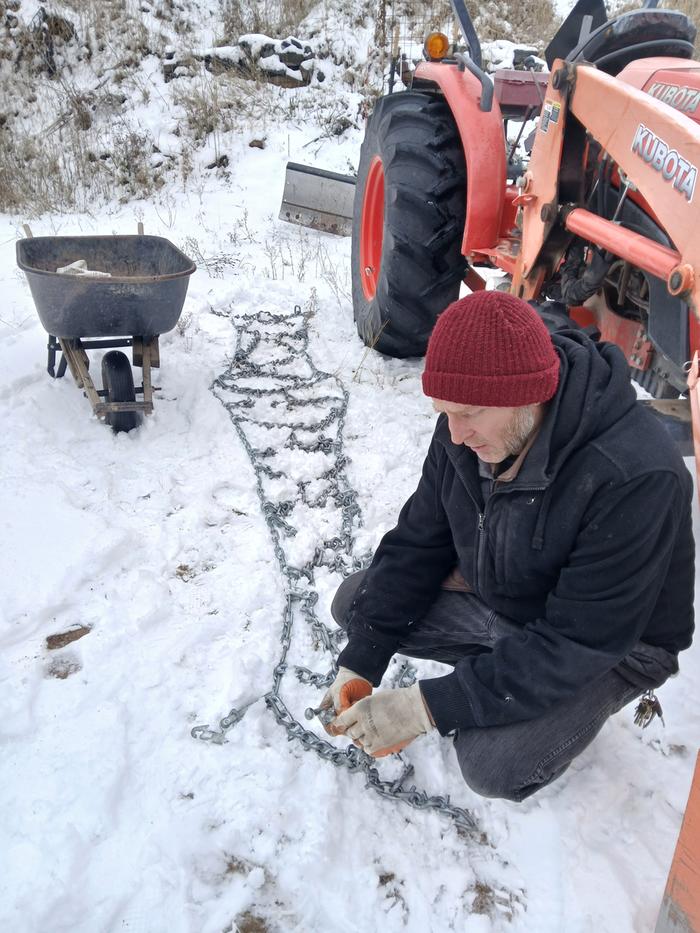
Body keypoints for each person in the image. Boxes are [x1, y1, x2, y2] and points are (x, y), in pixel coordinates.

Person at [321, 291, 695, 802]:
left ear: (530, 393)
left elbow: (577, 641)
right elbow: (418, 543)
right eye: (443, 412)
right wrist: (363, 657)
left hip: (612, 644)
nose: (454, 432)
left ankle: (569, 700)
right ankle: (505, 669)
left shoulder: (633, 474)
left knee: (493, 766)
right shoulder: (466, 427)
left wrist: (425, 707)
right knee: (358, 607)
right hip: (515, 592)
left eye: (468, 413)